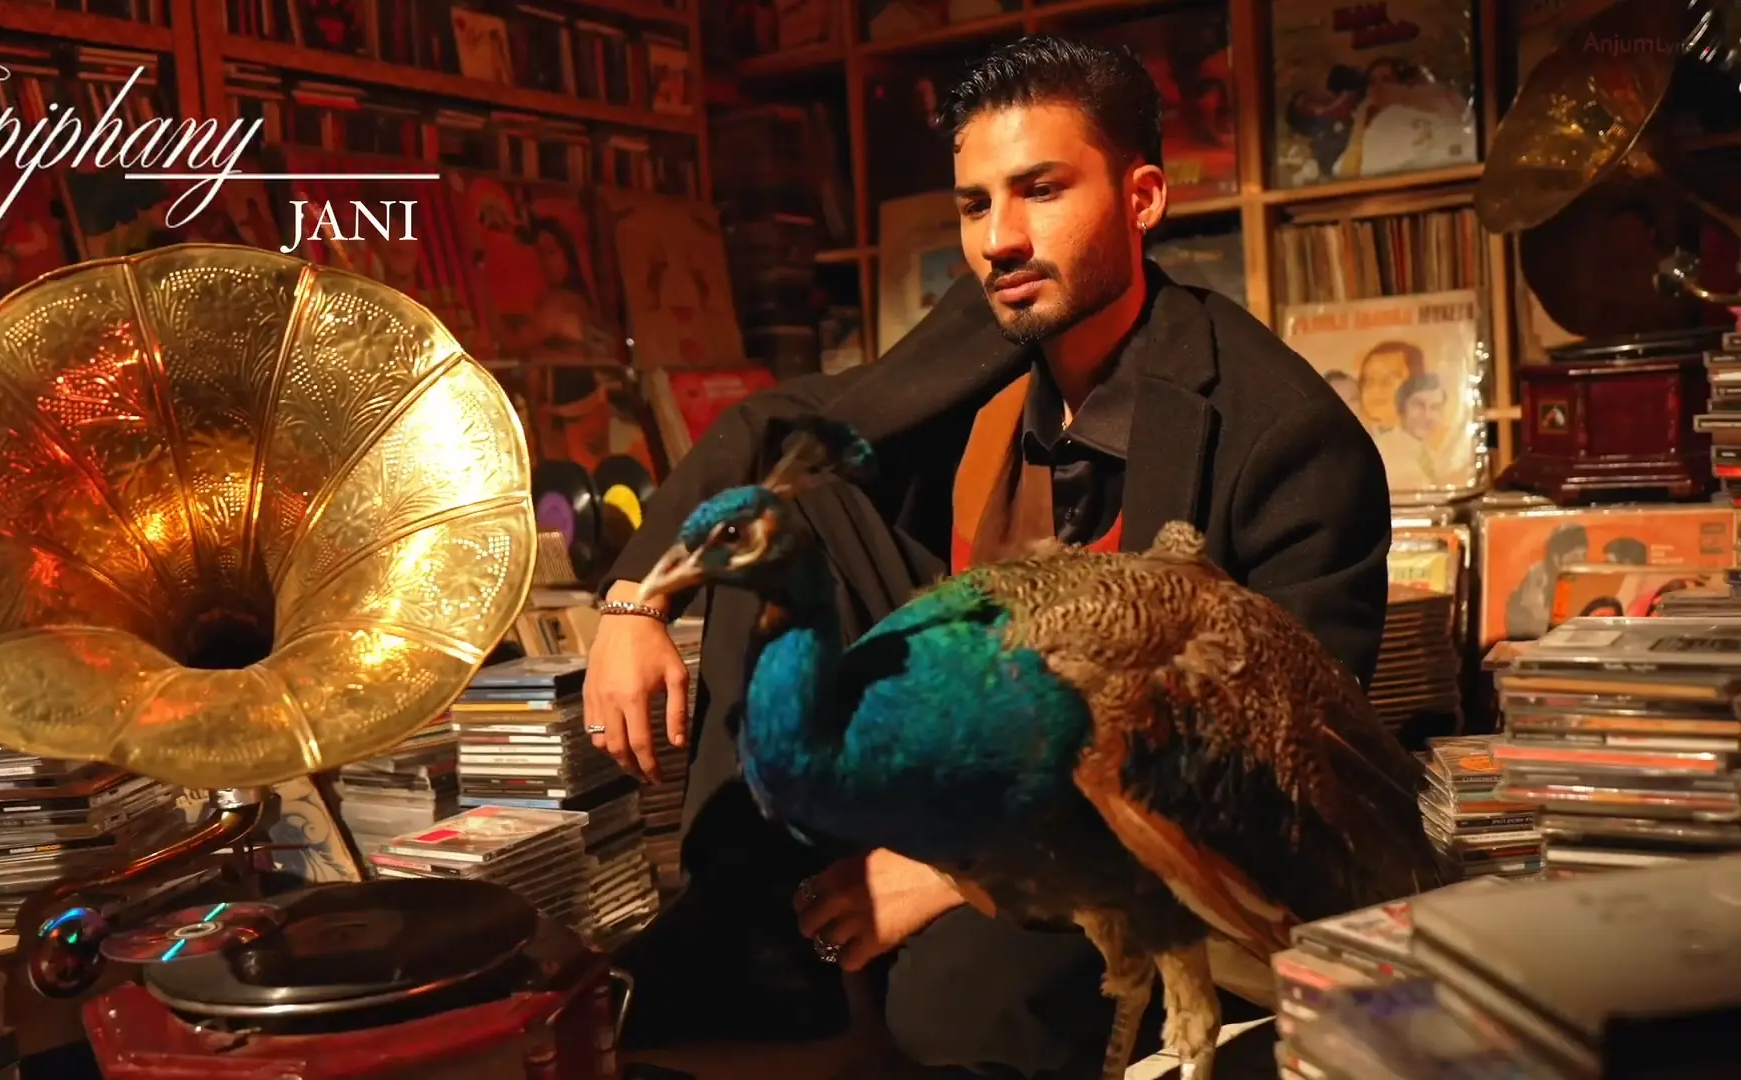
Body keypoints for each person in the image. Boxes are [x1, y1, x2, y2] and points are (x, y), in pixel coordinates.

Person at [585, 36, 1390, 1077]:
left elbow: (1273, 781)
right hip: (984, 700)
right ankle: (748, 928)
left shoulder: (1290, 439)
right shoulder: (1000, 312)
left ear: (1143, 199)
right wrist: (634, 602)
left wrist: (949, 874)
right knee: (796, 518)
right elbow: (782, 427)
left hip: (1130, 806)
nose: (1001, 239)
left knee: (952, 1011)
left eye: (1042, 190)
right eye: (975, 204)